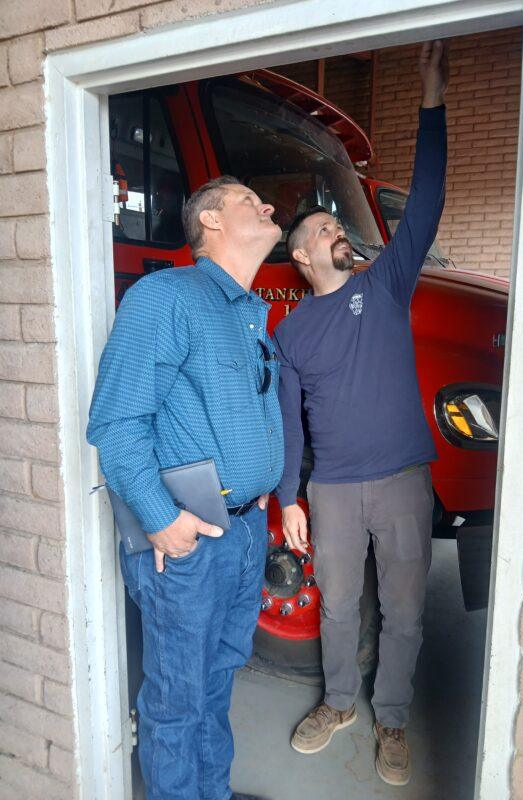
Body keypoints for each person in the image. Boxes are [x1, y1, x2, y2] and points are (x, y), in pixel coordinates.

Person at [273, 40, 449, 786]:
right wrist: (289, 498)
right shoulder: (289, 333)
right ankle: (340, 703)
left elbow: (427, 203)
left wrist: (433, 101)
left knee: (405, 613)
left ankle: (394, 718)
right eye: (323, 230)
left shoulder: (384, 285)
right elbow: (290, 423)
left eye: (337, 227)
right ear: (302, 256)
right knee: (339, 608)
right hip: (335, 491)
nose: (336, 232)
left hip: (403, 480)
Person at [87, 176, 283, 800]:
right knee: (177, 700)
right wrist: (160, 519)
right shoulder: (166, 297)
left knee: (217, 684)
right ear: (211, 222)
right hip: (187, 539)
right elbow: (116, 424)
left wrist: (265, 489)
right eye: (249, 200)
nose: (267, 206)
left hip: (245, 530)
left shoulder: (249, 313)